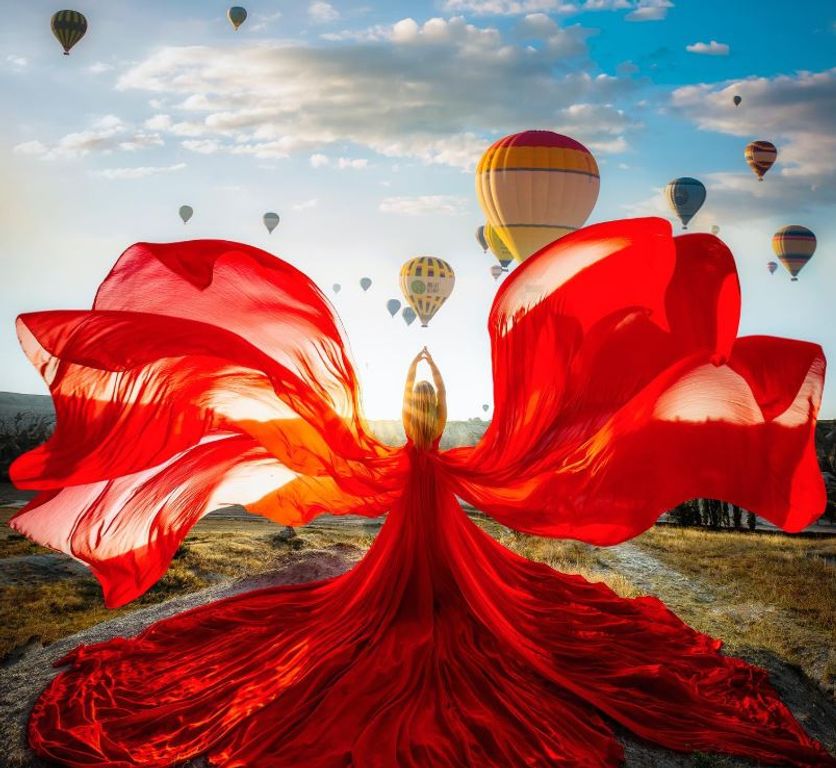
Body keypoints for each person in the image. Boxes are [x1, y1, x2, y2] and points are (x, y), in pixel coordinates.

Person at [10, 221, 834, 767]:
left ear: (414, 414)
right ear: (433, 415)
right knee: (468, 592)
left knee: (390, 592)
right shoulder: (445, 455)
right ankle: (436, 605)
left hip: (415, 495)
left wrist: (420, 374)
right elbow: (438, 395)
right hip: (435, 491)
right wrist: (431, 373)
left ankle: (413, 605)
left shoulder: (403, 454)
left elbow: (411, 399)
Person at [402, 346, 447, 449]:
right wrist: (431, 363)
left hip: (409, 464)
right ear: (433, 398)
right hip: (435, 465)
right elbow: (441, 390)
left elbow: (407, 388)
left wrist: (414, 363)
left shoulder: (408, 420)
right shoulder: (439, 420)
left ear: (414, 398)